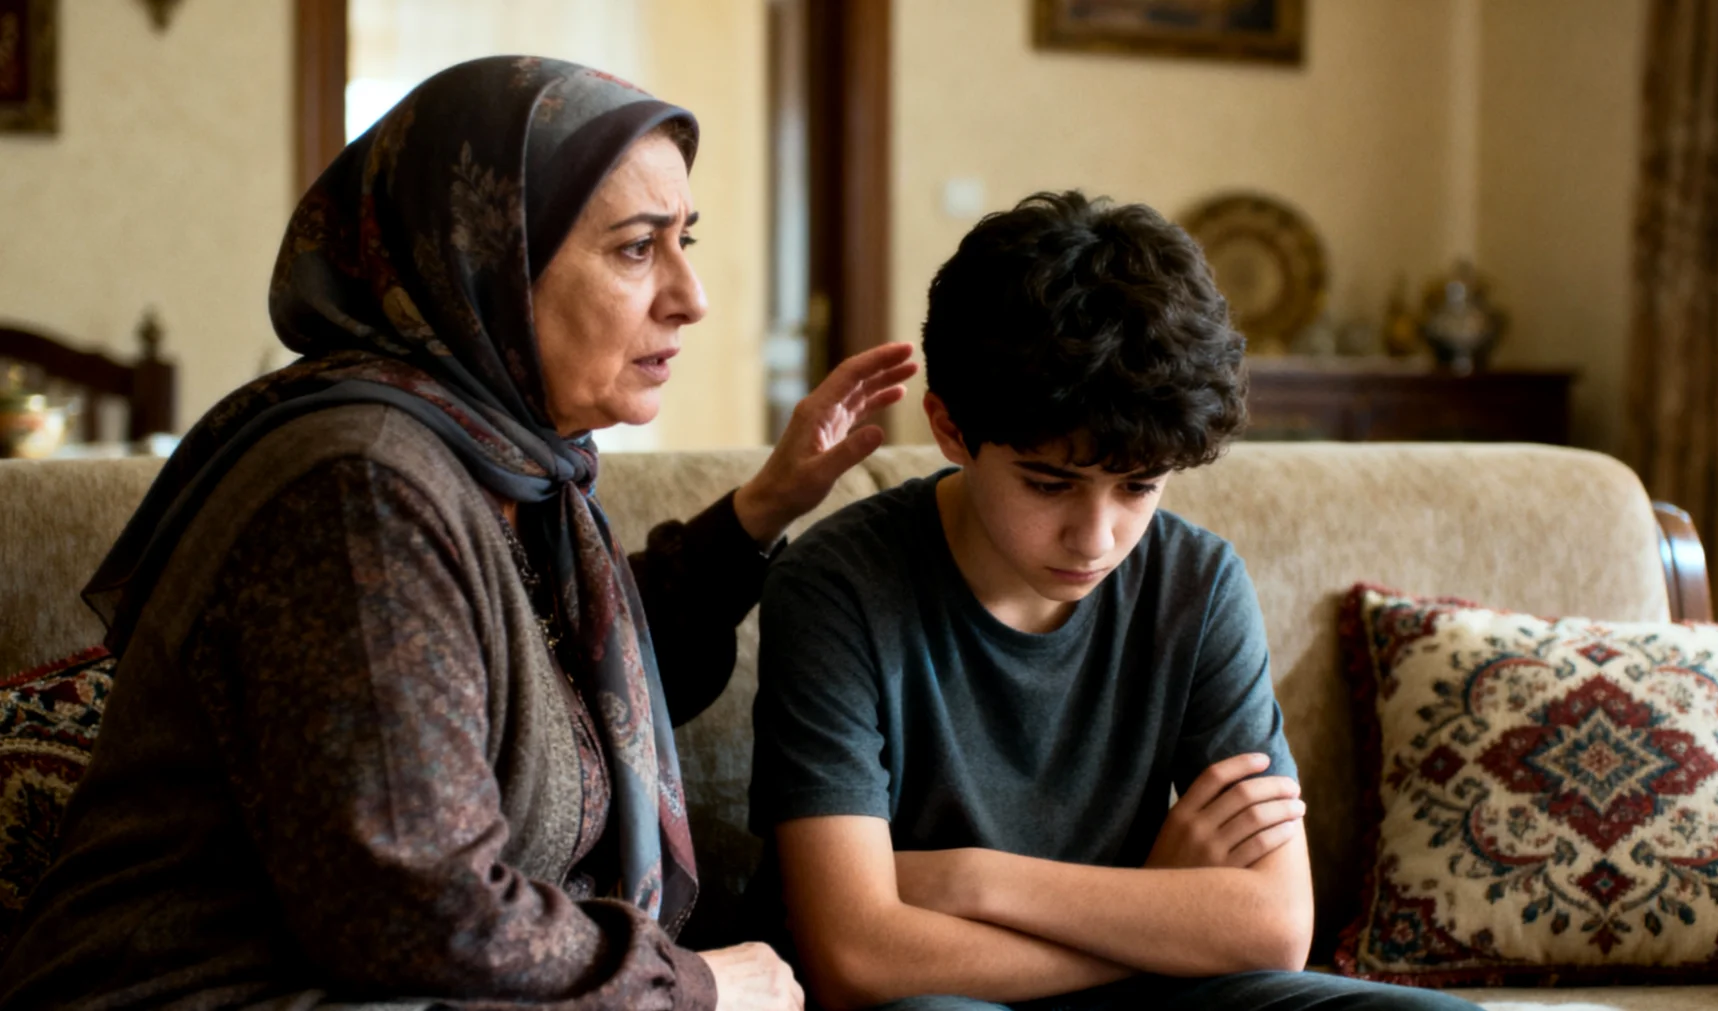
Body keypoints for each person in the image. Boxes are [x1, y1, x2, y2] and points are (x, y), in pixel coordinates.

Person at [0, 57, 915, 1011]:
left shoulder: (511, 462)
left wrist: (764, 505)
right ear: (489, 262)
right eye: (638, 248)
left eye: (683, 239)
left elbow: (581, 686)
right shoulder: (358, 489)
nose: (692, 295)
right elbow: (411, 909)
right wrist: (696, 988)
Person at [747, 192, 1481, 1011]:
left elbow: (1273, 926)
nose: (1096, 539)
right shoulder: (837, 586)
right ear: (950, 429)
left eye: (1138, 487)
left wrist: (969, 879)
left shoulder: (1198, 582)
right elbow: (857, 957)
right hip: (945, 998)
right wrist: (1159, 914)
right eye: (1048, 484)